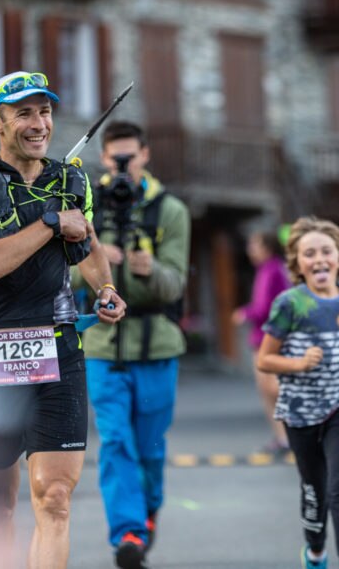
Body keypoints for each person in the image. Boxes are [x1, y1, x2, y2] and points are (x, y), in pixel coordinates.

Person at [0, 70, 126, 569]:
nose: (38, 122)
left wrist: (105, 287)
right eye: (24, 112)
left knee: (54, 499)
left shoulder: (73, 181)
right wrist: (50, 221)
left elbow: (85, 249)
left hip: (59, 352)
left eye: (44, 111)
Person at [80, 120, 191, 569]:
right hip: (104, 347)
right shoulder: (87, 208)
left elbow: (175, 284)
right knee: (115, 443)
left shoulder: (171, 211)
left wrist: (149, 270)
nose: (122, 165)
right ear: (103, 159)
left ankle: (146, 516)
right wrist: (98, 263)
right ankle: (127, 532)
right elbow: (64, 274)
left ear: (145, 154)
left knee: (149, 447)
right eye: (114, 158)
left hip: (157, 344)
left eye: (130, 156)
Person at [257, 217, 339, 569]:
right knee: (315, 488)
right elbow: (265, 360)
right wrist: (299, 363)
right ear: (298, 263)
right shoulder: (290, 304)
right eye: (309, 253)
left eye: (326, 252)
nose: (319, 259)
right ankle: (315, 549)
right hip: (300, 408)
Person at [232, 229, 291, 455]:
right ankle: (281, 437)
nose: (250, 250)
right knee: (265, 389)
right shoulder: (265, 270)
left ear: (267, 247)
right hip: (262, 337)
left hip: (272, 337)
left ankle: (290, 434)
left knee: (274, 388)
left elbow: (267, 306)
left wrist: (246, 313)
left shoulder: (274, 270)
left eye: (254, 244)